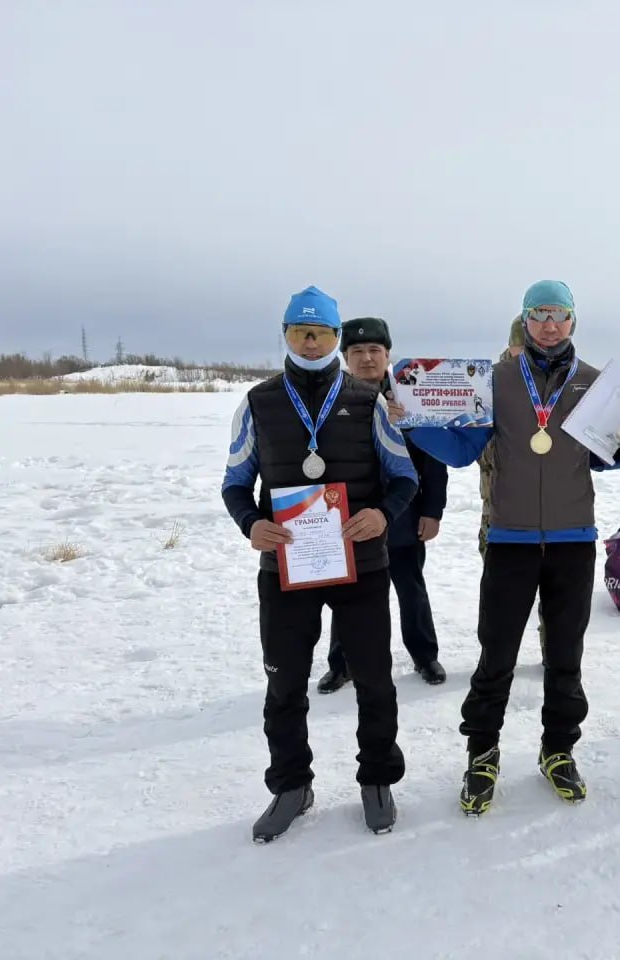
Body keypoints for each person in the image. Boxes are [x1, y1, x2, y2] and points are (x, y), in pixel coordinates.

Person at [411, 281, 620, 816]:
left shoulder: (596, 384)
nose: (550, 324)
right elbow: (463, 450)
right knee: (496, 655)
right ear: (525, 320)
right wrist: (414, 421)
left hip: (573, 540)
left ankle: (558, 750)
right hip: (510, 539)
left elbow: (603, 458)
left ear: (573, 321)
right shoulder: (494, 379)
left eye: (560, 314)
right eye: (539, 313)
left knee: (565, 657)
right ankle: (482, 754)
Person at [221, 286, 418, 841]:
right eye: (300, 332)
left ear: (336, 337)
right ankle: (291, 785)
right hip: (286, 567)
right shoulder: (258, 403)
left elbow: (404, 477)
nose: (311, 342)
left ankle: (377, 779)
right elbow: (235, 482)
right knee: (284, 682)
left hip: (362, 564)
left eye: (322, 333)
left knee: (374, 678)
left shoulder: (368, 401)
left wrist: (382, 514)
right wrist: (250, 523)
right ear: (285, 335)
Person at [317, 316, 450, 693]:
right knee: (347, 593)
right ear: (344, 357)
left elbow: (433, 460)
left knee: (411, 590)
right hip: (349, 518)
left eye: (374, 350)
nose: (367, 358)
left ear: (388, 354)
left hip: (404, 516)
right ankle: (341, 663)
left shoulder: (412, 397)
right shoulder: (329, 400)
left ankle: (425, 656)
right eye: (357, 351)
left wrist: (432, 511)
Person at [477, 318, 546, 667]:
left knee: (554, 593)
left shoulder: (556, 380)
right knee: (498, 595)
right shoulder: (488, 383)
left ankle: (552, 651)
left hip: (551, 512)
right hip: (500, 512)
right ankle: (493, 658)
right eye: (521, 349)